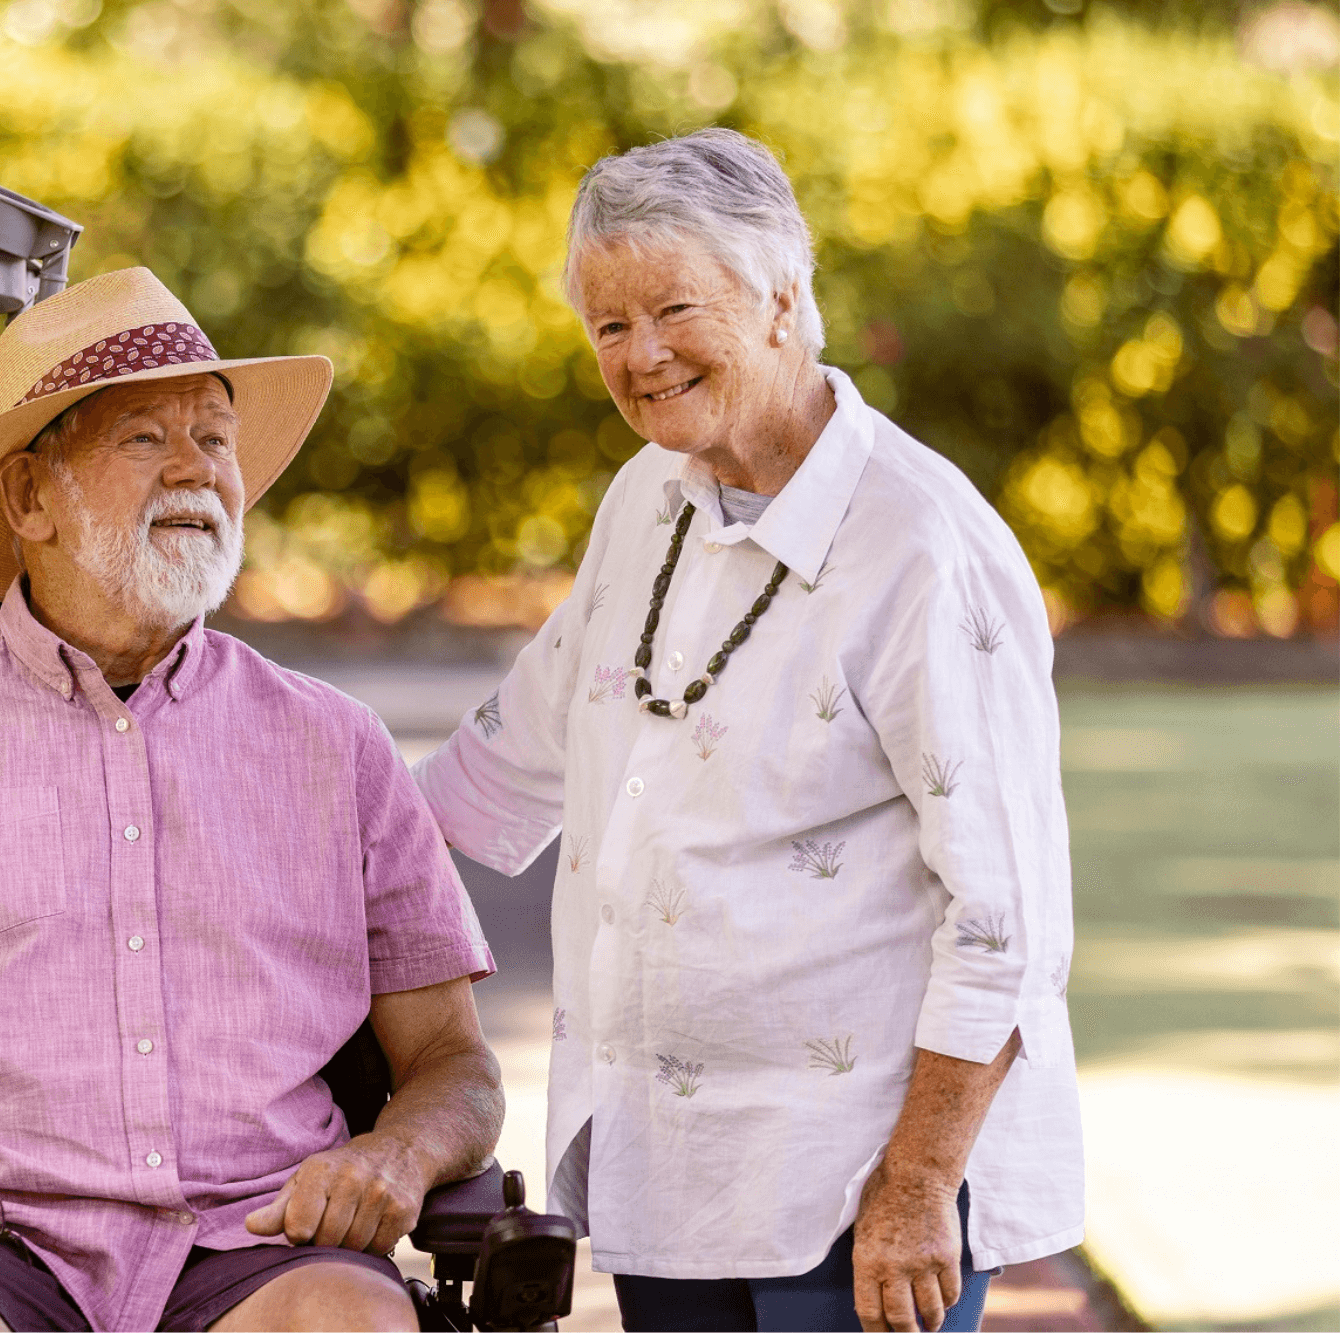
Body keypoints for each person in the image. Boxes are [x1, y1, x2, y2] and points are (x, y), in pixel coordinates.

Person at [0, 267, 502, 1333]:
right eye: (145, 440)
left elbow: (453, 1062)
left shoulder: (334, 745)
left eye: (214, 438)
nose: (196, 471)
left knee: (351, 1324)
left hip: (258, 1241)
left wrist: (399, 1151)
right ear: (28, 499)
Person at [412, 129, 1083, 1333]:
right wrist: (280, 821)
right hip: (676, 1179)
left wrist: (918, 1186)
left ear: (781, 296)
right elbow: (511, 751)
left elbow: (1004, 920)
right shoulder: (646, 497)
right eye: (606, 326)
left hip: (861, 1192)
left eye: (673, 307)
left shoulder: (923, 548)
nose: (641, 354)